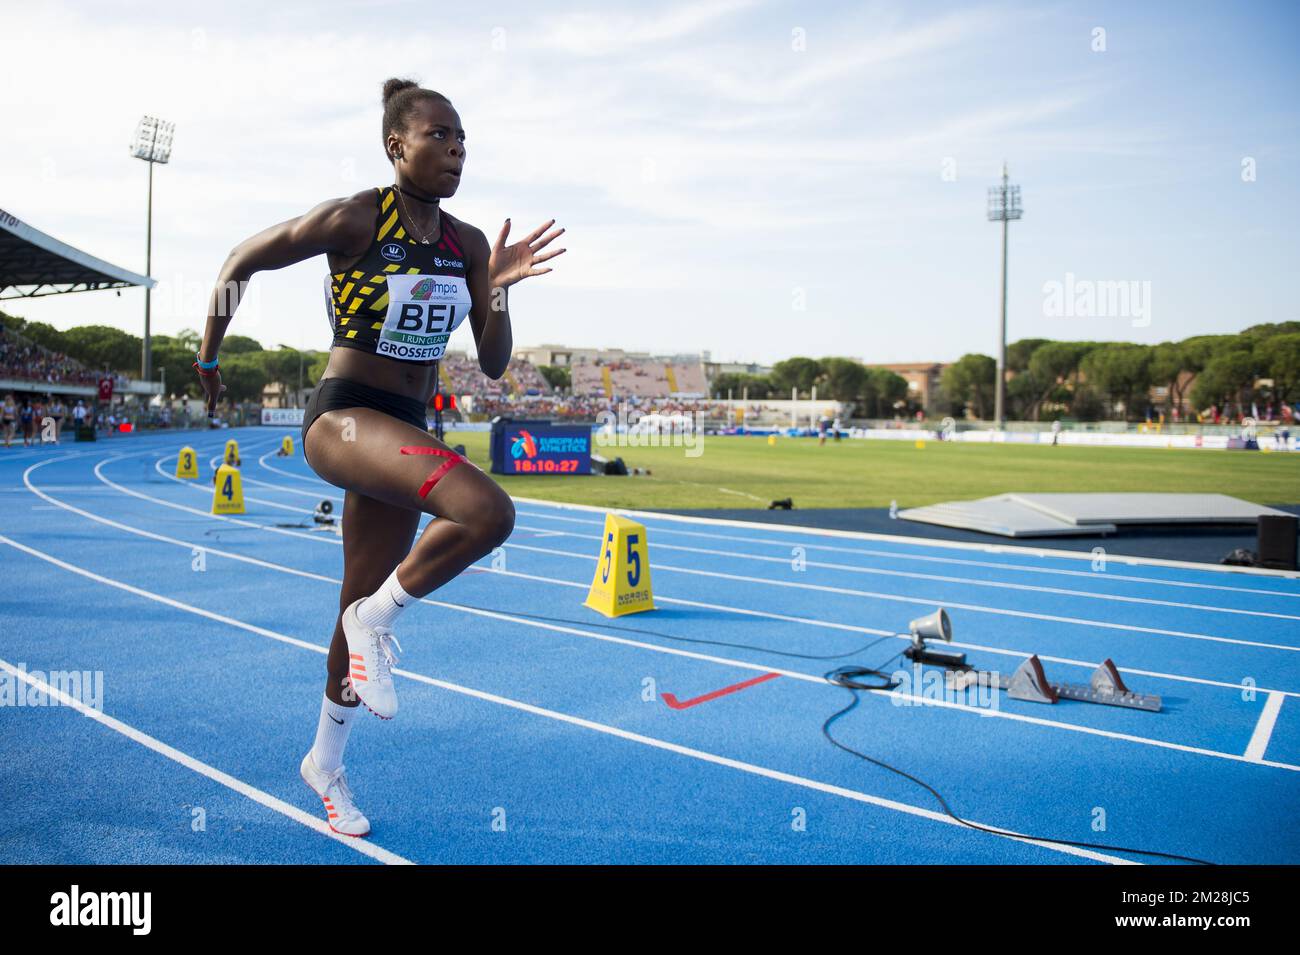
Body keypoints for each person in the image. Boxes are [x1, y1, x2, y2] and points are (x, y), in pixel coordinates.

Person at [193, 78, 564, 838]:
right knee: (487, 511)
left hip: (406, 424)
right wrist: (207, 354)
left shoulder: (466, 245)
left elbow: (492, 363)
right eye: (438, 135)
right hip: (345, 419)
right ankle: (378, 619)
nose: (455, 149)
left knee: (354, 601)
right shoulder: (357, 217)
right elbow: (243, 258)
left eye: (462, 139)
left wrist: (495, 289)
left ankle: (325, 762)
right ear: (396, 145)